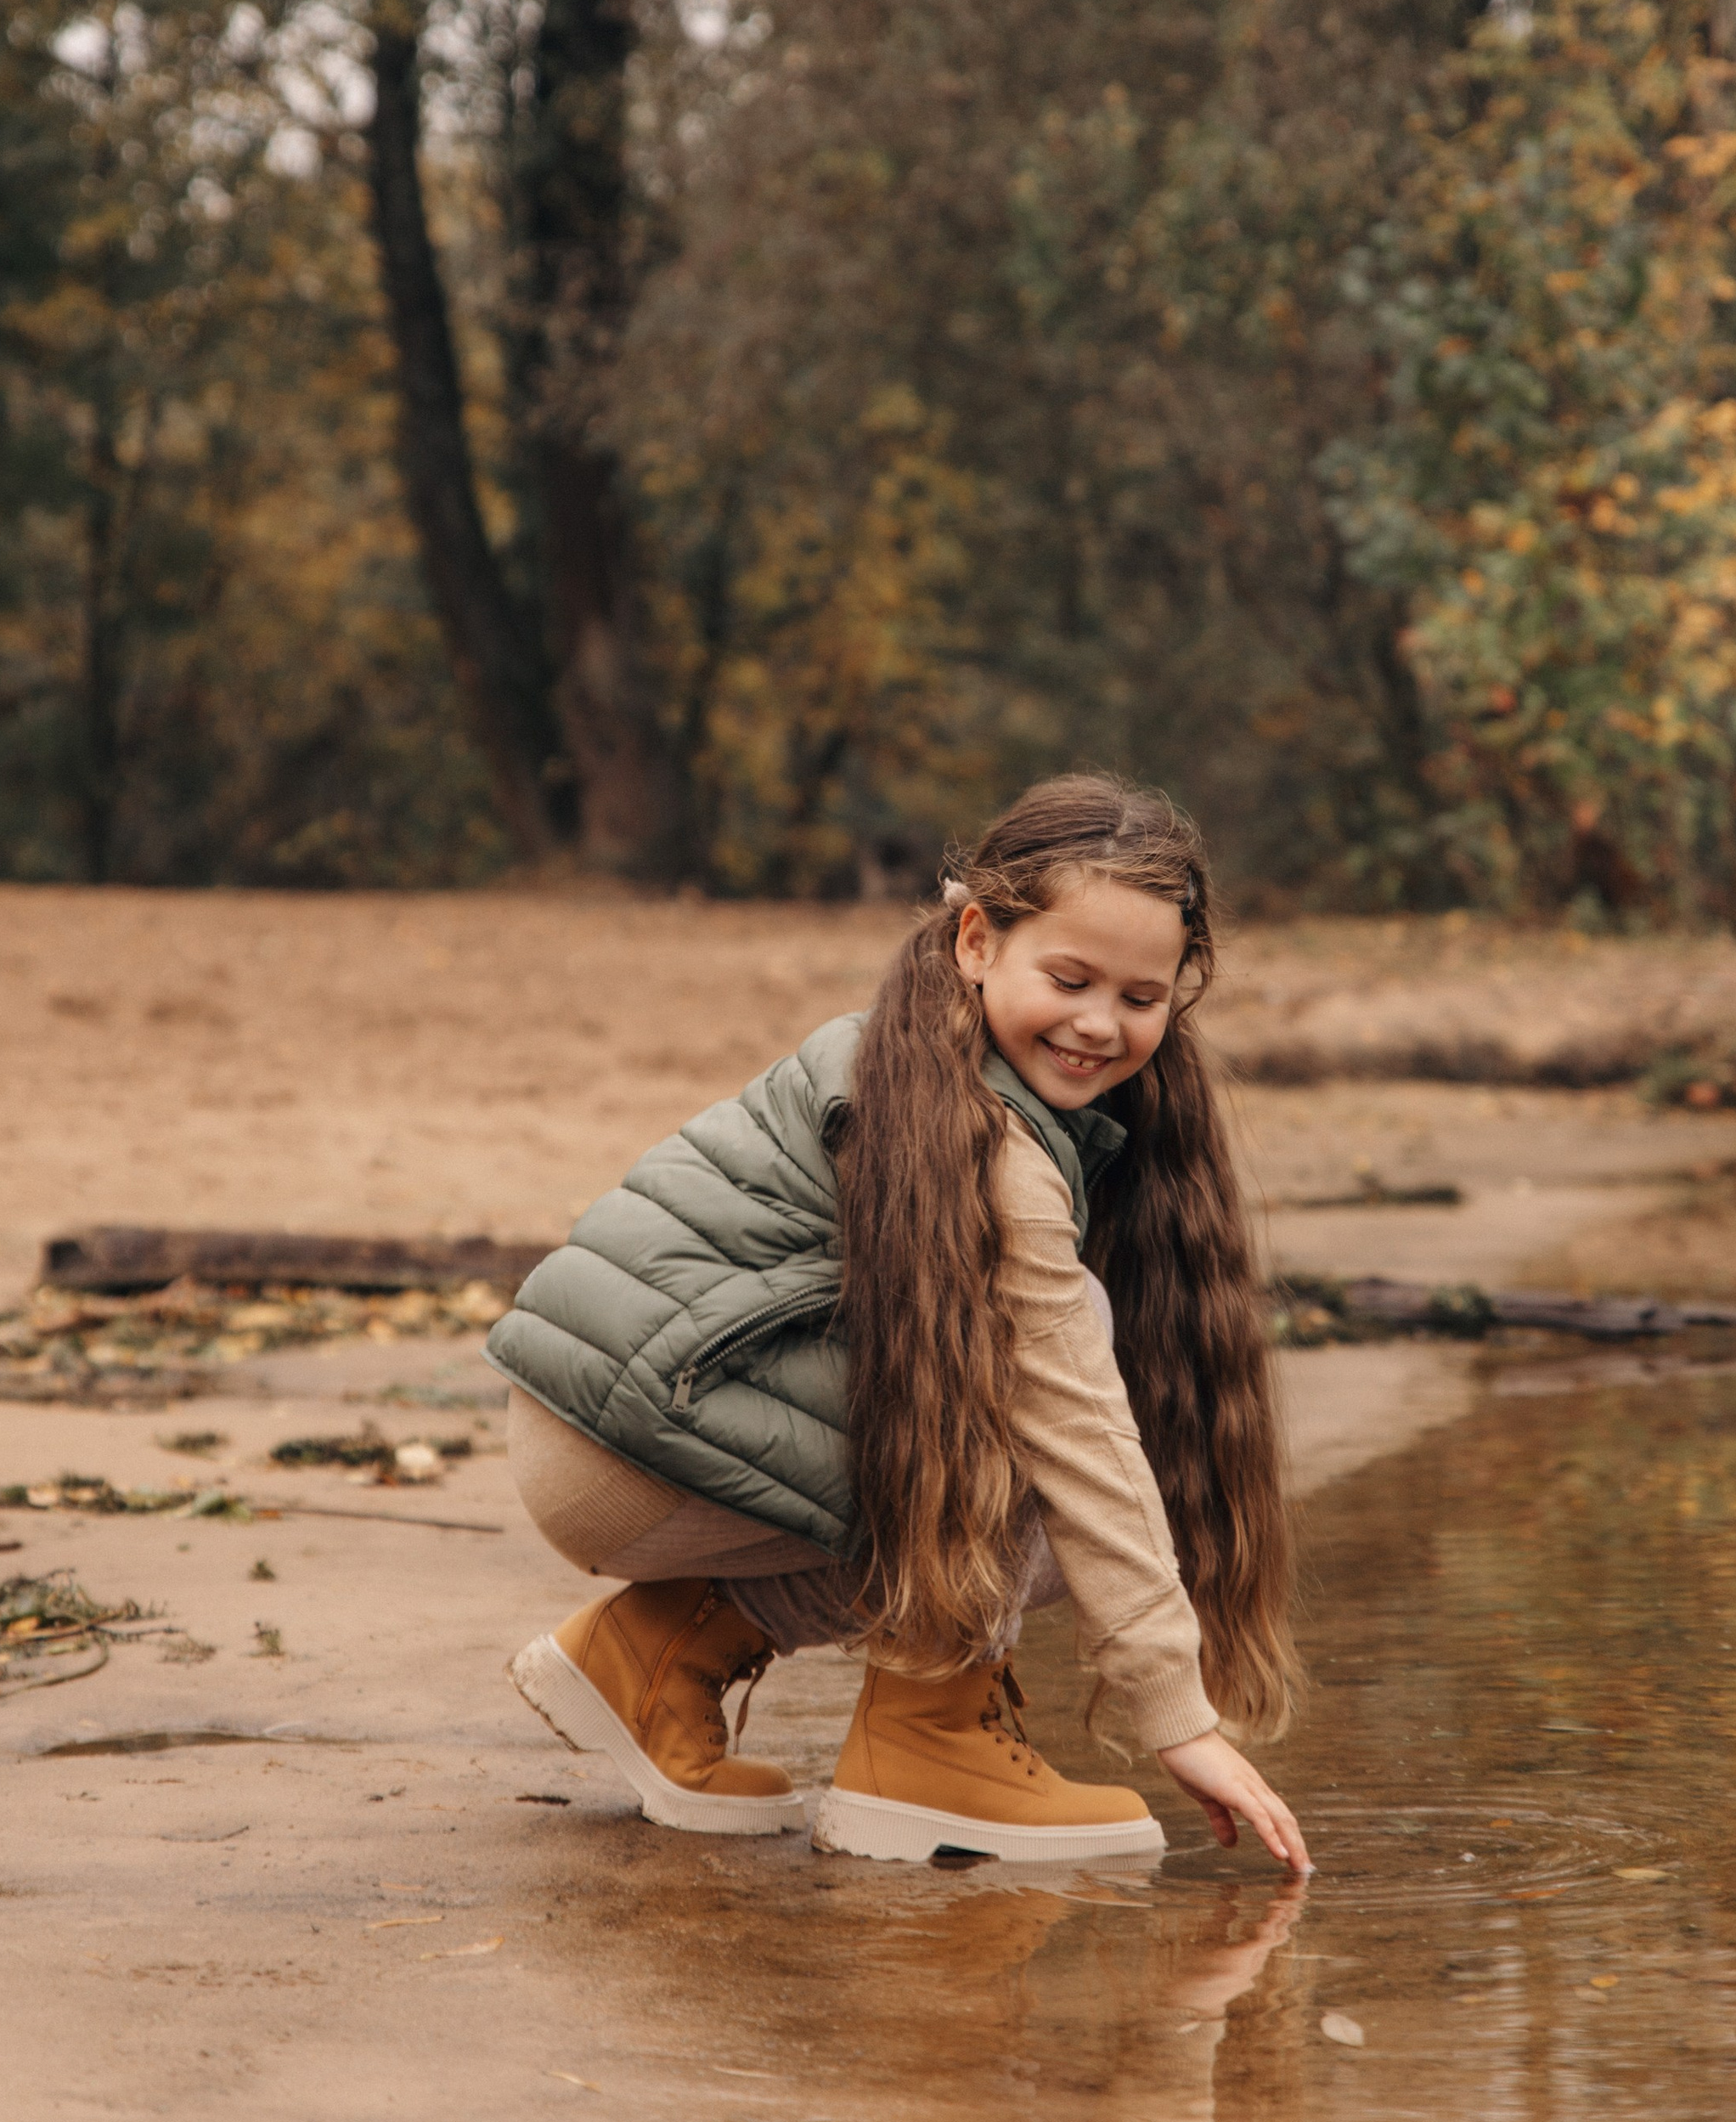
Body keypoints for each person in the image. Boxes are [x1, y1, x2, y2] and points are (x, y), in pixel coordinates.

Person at [488, 774, 1310, 1871]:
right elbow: (1072, 1419)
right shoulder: (978, 1139)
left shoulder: (926, 1051)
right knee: (1081, 1406)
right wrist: (1180, 1718)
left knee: (1114, 1400)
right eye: (1069, 978)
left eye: (1140, 998)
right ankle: (929, 1741)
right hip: (633, 1439)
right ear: (977, 939)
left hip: (625, 1422)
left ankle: (655, 1651)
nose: (1098, 1024)